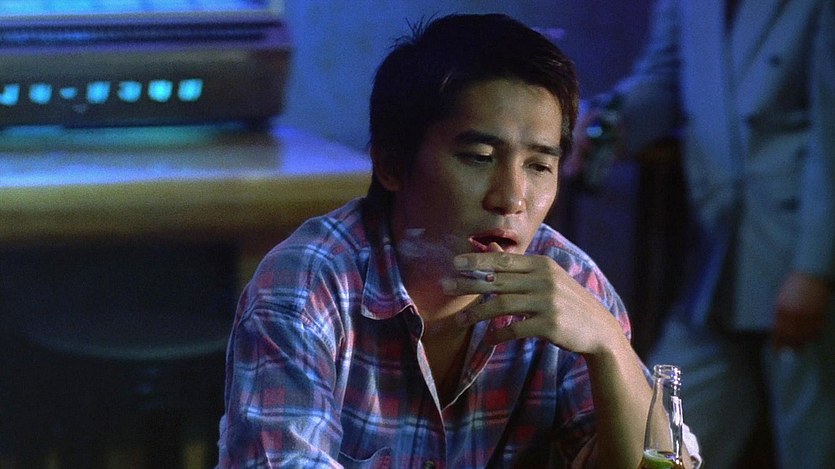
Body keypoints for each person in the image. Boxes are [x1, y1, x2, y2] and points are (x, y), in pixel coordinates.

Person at [217, 13, 701, 468]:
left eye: (539, 166)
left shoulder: (570, 284)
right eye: (479, 157)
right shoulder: (306, 287)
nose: (511, 199)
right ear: (392, 165)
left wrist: (609, 347)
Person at [567, 1, 835, 467]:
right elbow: (664, 77)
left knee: (812, 443)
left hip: (802, 246)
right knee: (659, 435)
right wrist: (605, 122)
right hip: (718, 249)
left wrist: (815, 270)